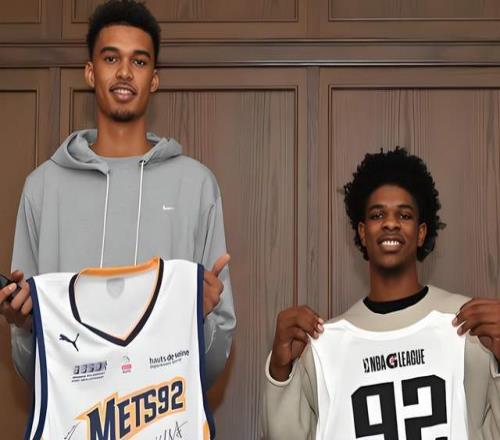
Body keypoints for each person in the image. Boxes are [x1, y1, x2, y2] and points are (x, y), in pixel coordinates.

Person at [0, 0, 235, 388]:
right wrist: (24, 326)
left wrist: (203, 317)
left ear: (154, 79)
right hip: (74, 415)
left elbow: (212, 363)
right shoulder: (42, 187)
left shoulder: (196, 185)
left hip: (164, 412)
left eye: (139, 61)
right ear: (90, 72)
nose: (125, 72)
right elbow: (31, 372)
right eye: (111, 58)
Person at [263, 148, 500, 439]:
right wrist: (280, 369)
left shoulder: (468, 327)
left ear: (421, 232)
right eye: (377, 215)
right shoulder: (325, 346)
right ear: (362, 232)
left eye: (404, 214)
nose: (390, 223)